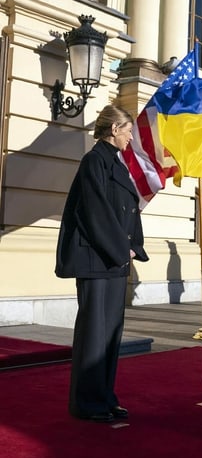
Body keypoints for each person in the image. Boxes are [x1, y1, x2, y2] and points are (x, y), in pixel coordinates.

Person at [55, 105, 149, 423]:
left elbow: (130, 210)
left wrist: (134, 245)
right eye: (127, 130)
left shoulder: (117, 165)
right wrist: (122, 248)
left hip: (114, 259)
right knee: (94, 334)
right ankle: (87, 403)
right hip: (97, 259)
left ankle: (105, 397)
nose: (130, 136)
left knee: (110, 334)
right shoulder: (94, 161)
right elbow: (94, 211)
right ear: (113, 130)